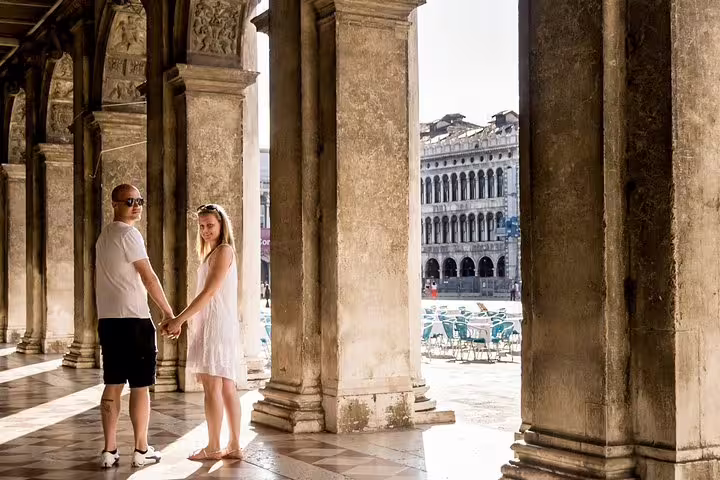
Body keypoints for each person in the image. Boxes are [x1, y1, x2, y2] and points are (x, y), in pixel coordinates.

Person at [97, 184, 173, 468]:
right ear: (115, 204)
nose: (136, 205)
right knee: (140, 386)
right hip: (135, 320)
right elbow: (149, 277)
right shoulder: (129, 234)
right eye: (130, 201)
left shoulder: (104, 236)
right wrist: (169, 313)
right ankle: (141, 450)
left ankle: (109, 450)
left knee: (113, 383)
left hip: (108, 321)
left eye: (139, 200)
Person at [161, 204, 244, 461]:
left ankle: (214, 446)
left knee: (214, 388)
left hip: (216, 327)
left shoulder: (223, 251)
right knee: (227, 387)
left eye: (210, 225)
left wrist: (179, 320)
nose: (206, 230)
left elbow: (208, 294)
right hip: (221, 325)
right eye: (201, 226)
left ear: (221, 225)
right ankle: (233, 445)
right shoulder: (216, 253)